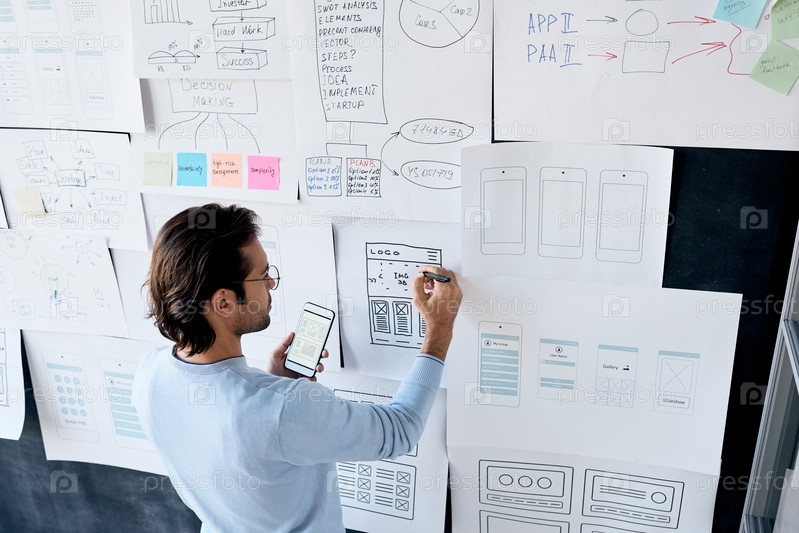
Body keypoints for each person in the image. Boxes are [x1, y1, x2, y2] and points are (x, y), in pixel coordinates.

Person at [132, 203, 462, 532]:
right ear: (223, 302)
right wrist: (439, 331)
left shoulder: (149, 374)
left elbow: (233, 435)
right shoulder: (285, 409)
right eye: (262, 275)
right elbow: (399, 430)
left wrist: (272, 383)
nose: (271, 284)